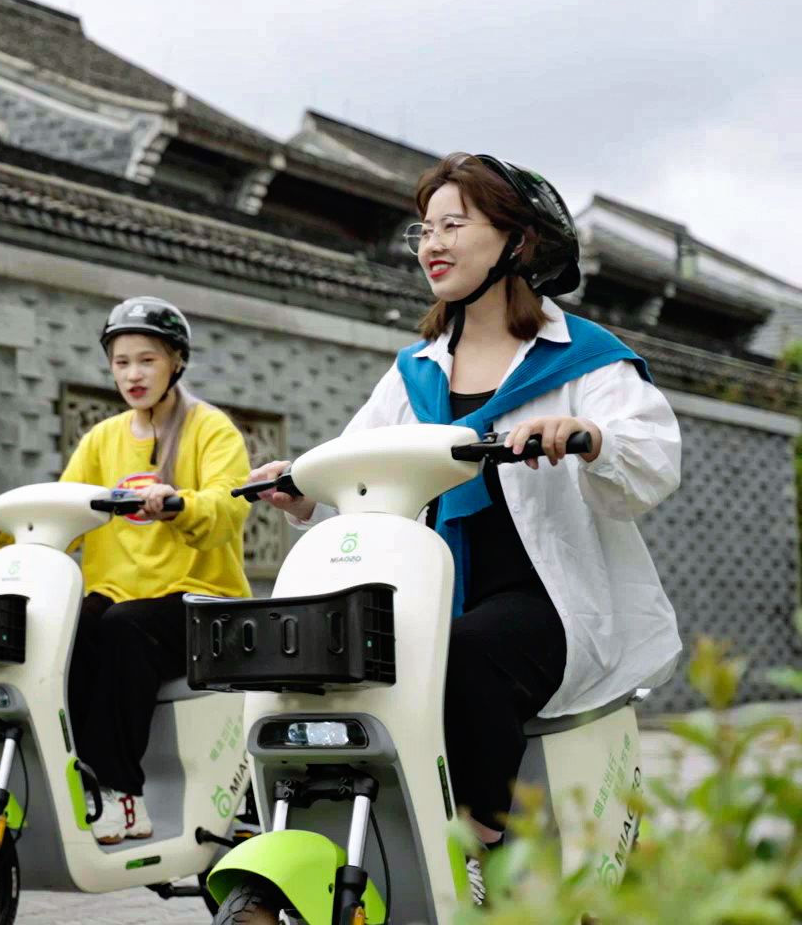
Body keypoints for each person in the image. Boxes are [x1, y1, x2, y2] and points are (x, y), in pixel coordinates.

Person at [248, 152, 681, 902]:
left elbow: (653, 458)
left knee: (469, 653)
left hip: (548, 600)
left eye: (454, 225)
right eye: (425, 228)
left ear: (518, 242)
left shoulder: (584, 359)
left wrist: (588, 437)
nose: (431, 244)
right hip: (435, 592)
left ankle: (478, 840)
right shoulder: (414, 371)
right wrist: (305, 488)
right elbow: (359, 464)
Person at [0, 297, 251, 845]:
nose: (133, 375)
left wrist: (180, 505)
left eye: (147, 360)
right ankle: (74, 778)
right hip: (119, 597)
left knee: (123, 627)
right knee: (63, 628)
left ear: (177, 362)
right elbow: (63, 512)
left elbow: (227, 507)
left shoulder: (212, 430)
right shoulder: (101, 439)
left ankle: (123, 795)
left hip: (202, 601)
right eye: (121, 363)